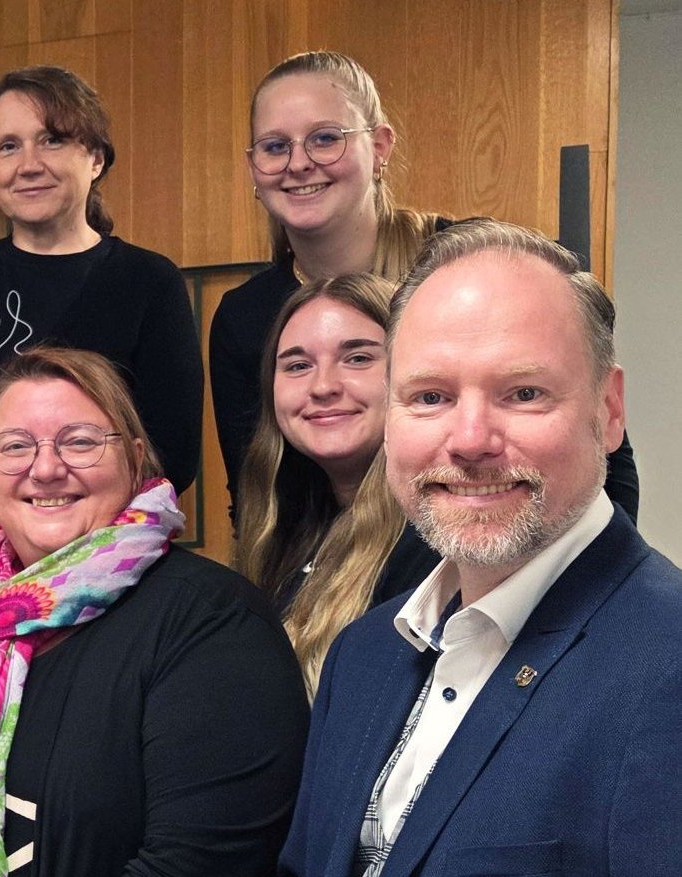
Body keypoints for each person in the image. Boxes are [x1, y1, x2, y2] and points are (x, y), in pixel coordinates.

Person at [280, 219, 682, 877]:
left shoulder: (665, 667)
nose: (468, 439)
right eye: (429, 396)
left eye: (522, 393)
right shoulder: (363, 655)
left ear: (608, 412)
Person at [0, 347, 309, 877]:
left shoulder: (215, 625)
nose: (44, 469)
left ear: (135, 459)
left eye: (80, 442)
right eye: (15, 446)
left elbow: (195, 865)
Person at [209, 50, 637, 517]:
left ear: (380, 147)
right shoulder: (243, 317)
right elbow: (255, 495)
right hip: (336, 575)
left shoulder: (472, 264)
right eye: (275, 147)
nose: (299, 163)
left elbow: (607, 461)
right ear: (253, 166)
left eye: (325, 138)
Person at [0, 66, 202, 493]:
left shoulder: (150, 283)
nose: (28, 165)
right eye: (8, 147)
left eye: (52, 140)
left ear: (96, 159)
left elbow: (173, 453)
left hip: (106, 539)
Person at [232, 274, 406, 692]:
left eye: (359, 358)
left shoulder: (434, 541)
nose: (323, 386)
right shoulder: (279, 530)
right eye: (297, 365)